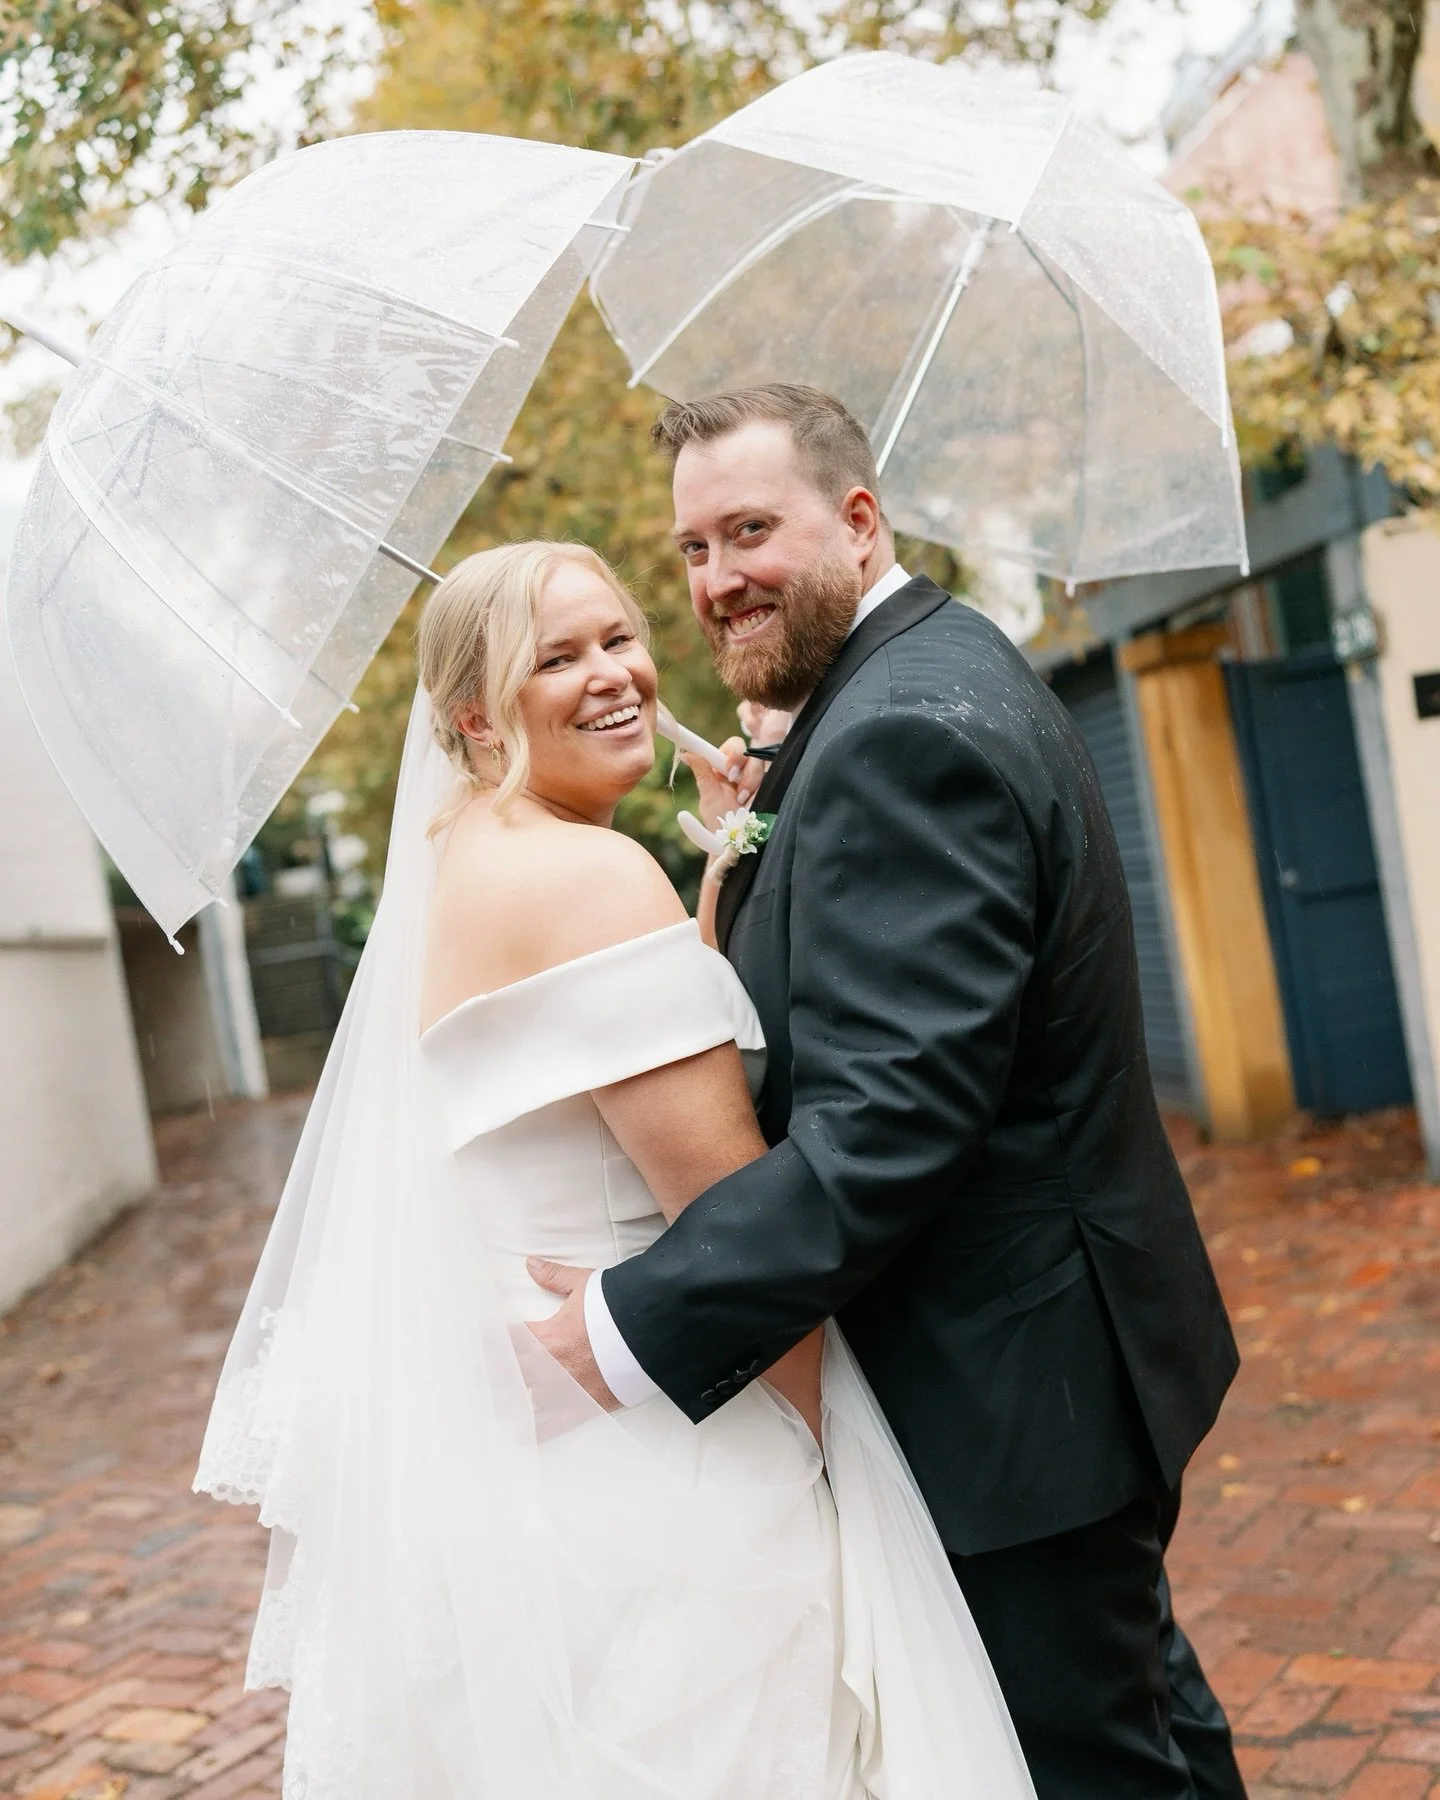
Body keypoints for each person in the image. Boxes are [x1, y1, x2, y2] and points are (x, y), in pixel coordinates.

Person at [195, 538, 1036, 1800]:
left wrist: (704, 913)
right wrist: (827, 1459)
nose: (616, 676)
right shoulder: (592, 878)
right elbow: (733, 1215)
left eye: (620, 639)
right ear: (478, 715)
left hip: (509, 1457)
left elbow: (570, 1078)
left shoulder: (454, 858)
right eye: (560, 658)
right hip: (667, 1441)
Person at [527, 384, 1248, 1800]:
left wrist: (623, 1327)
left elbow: (891, 1129)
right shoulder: (917, 680)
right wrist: (762, 838)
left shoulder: (900, 735)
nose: (716, 579)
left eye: (749, 531)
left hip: (1008, 1387)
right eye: (690, 550)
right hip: (1053, 1356)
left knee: (1091, 1763)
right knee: (1142, 1729)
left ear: (858, 522)